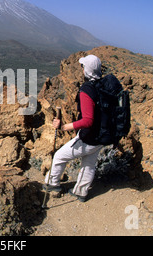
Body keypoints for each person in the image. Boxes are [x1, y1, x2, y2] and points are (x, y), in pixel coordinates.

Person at [44, 54, 105, 202]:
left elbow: (88, 121)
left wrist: (64, 127)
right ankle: (80, 192)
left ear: (87, 70)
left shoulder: (87, 91)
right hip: (102, 136)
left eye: (83, 66)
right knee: (89, 165)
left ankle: (51, 184)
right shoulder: (103, 86)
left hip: (89, 137)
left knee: (59, 156)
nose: (82, 68)